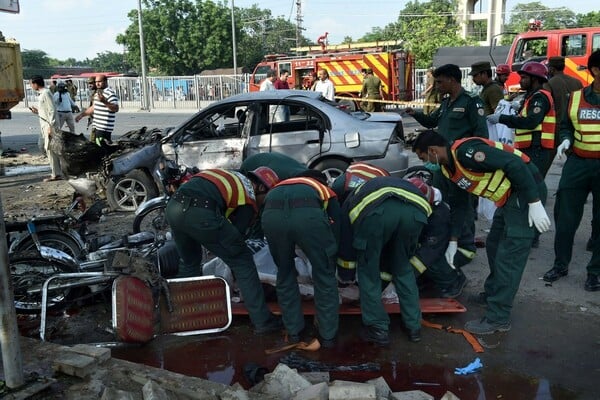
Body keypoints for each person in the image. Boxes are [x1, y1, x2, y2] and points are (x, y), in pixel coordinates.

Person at [412, 130, 550, 335]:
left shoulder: (467, 152)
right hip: (508, 198)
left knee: (509, 257)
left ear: (433, 151)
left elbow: (515, 164)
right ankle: (494, 293)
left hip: (526, 192)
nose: (425, 163)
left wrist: (534, 202)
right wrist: (453, 240)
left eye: (424, 157)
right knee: (494, 244)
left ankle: (498, 318)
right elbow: (459, 205)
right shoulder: (450, 169)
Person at [165, 167, 283, 334]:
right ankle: (263, 321)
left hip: (174, 207)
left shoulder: (233, 176)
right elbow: (237, 238)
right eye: (266, 197)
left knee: (189, 262)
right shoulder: (248, 195)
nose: (264, 202)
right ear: (261, 188)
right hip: (201, 212)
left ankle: (184, 316)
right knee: (242, 261)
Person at [405, 64, 488, 264]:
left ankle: (465, 245)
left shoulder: (471, 103)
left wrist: (471, 162)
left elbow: (481, 136)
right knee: (443, 203)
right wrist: (415, 113)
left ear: (452, 79)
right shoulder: (446, 103)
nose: (437, 86)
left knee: (463, 205)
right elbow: (432, 122)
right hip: (441, 164)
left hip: (460, 164)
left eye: (440, 82)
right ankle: (449, 238)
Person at [337, 176, 433, 344]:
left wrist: (346, 274)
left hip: (377, 214)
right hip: (416, 212)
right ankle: (414, 327)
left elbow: (346, 240)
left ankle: (378, 329)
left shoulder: (351, 200)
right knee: (403, 268)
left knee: (369, 271)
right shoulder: (386, 183)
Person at [542, 49, 600, 291]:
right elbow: (565, 125)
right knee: (565, 218)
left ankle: (594, 272)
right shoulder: (576, 97)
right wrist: (565, 139)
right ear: (596, 71)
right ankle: (560, 264)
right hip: (576, 163)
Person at [261, 174, 341, 347]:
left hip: (271, 215)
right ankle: (328, 337)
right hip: (309, 217)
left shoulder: (278, 187)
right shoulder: (325, 190)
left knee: (284, 271)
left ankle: (294, 332)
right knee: (324, 275)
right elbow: (337, 224)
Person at [487, 61, 556, 248]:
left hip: (537, 149)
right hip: (530, 149)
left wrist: (502, 118)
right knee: (528, 188)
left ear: (535, 79)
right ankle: (529, 231)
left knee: (532, 189)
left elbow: (531, 122)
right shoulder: (531, 97)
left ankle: (533, 234)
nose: (521, 79)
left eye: (525, 77)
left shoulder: (540, 98)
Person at [405, 177, 469, 299]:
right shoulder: (430, 206)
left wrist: (406, 276)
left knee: (429, 262)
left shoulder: (439, 216)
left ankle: (454, 281)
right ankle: (429, 281)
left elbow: (430, 252)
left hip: (461, 249)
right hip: (441, 244)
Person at [543, 56, 584, 159]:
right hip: (574, 126)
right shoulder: (577, 82)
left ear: (551, 69)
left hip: (556, 127)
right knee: (574, 158)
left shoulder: (549, 83)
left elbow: (546, 104)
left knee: (547, 159)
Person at [28, 76, 62, 182]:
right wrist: (37, 111)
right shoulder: (42, 94)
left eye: (31, 84)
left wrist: (51, 127)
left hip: (49, 126)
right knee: (50, 150)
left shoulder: (46, 93)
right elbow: (46, 111)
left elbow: (52, 110)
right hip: (45, 125)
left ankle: (56, 174)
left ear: (36, 84)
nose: (31, 86)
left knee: (50, 149)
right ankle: (56, 172)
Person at [76, 74, 119, 145]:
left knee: (102, 149)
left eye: (99, 81)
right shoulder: (98, 93)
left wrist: (104, 101)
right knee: (96, 147)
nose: (97, 84)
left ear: (105, 82)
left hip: (104, 129)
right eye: (96, 82)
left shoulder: (110, 93)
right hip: (97, 127)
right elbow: (93, 107)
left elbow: (116, 108)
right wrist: (81, 115)